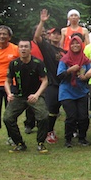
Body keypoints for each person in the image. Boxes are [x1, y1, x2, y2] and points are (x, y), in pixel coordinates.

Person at [3, 40, 50, 153]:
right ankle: (19, 143)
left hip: (35, 95)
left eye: (26, 47)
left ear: (30, 49)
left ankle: (41, 143)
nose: (23, 49)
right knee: (7, 118)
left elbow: (45, 81)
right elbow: (7, 81)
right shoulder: (13, 64)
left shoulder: (38, 63)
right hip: (19, 96)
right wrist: (9, 94)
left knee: (43, 116)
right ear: (18, 49)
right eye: (21, 47)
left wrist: (37, 95)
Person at [33, 9, 66, 144]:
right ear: (49, 36)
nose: (57, 36)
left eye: (59, 34)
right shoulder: (46, 48)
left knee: (67, 108)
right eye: (54, 34)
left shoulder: (65, 52)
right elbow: (36, 38)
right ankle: (49, 131)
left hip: (65, 84)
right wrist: (42, 22)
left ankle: (72, 131)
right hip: (52, 83)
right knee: (52, 109)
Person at [58, 35, 91, 147]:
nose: (75, 45)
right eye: (73, 43)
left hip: (81, 91)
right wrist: (70, 70)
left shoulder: (84, 60)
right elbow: (60, 76)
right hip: (67, 91)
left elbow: (89, 73)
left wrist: (86, 77)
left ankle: (82, 137)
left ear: (81, 45)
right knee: (71, 116)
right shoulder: (64, 60)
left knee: (83, 116)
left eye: (77, 43)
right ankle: (68, 139)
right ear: (69, 45)